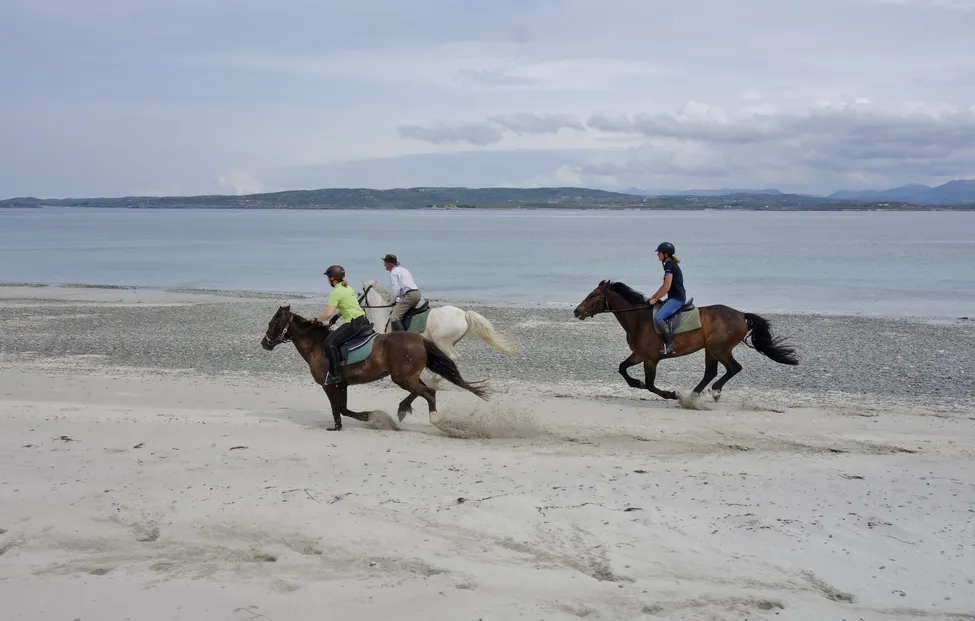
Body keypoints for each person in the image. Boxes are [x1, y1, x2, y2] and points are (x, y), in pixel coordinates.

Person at [318, 265, 371, 385]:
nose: (327, 280)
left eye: (328, 278)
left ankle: (335, 375)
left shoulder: (336, 292)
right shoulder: (348, 287)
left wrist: (317, 320)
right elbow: (348, 305)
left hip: (354, 324)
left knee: (329, 344)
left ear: (332, 279)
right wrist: (338, 316)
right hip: (364, 321)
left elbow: (327, 314)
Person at [645, 241, 686, 355]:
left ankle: (670, 345)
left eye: (659, 253)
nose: (658, 255)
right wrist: (654, 296)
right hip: (673, 297)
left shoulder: (670, 266)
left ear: (665, 254)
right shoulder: (669, 264)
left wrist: (654, 299)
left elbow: (667, 287)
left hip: (677, 299)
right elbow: (663, 286)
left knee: (658, 318)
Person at [382, 253, 423, 332]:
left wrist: (392, 301)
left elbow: (395, 290)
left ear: (391, 264)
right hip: (417, 293)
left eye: (385, 262)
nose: (384, 265)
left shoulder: (393, 273)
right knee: (405, 314)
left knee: (394, 317)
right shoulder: (403, 270)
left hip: (409, 295)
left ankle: (402, 337)